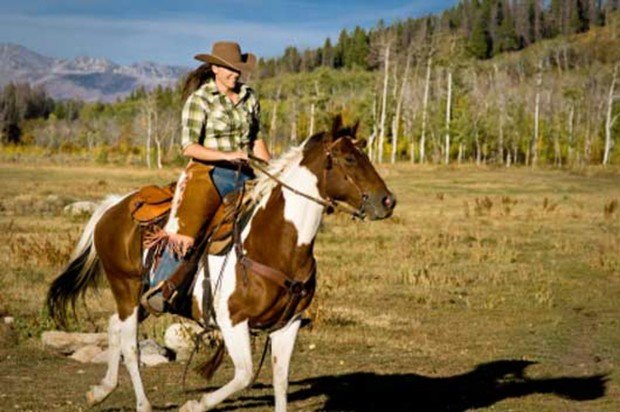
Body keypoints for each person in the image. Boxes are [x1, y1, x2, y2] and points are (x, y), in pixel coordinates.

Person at [141, 41, 270, 314]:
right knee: (187, 230)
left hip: (246, 174)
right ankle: (161, 286)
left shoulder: (250, 96)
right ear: (214, 68)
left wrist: (273, 170)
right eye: (228, 69)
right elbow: (188, 147)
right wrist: (227, 155)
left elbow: (256, 137)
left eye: (238, 69)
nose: (235, 74)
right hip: (208, 172)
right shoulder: (200, 100)